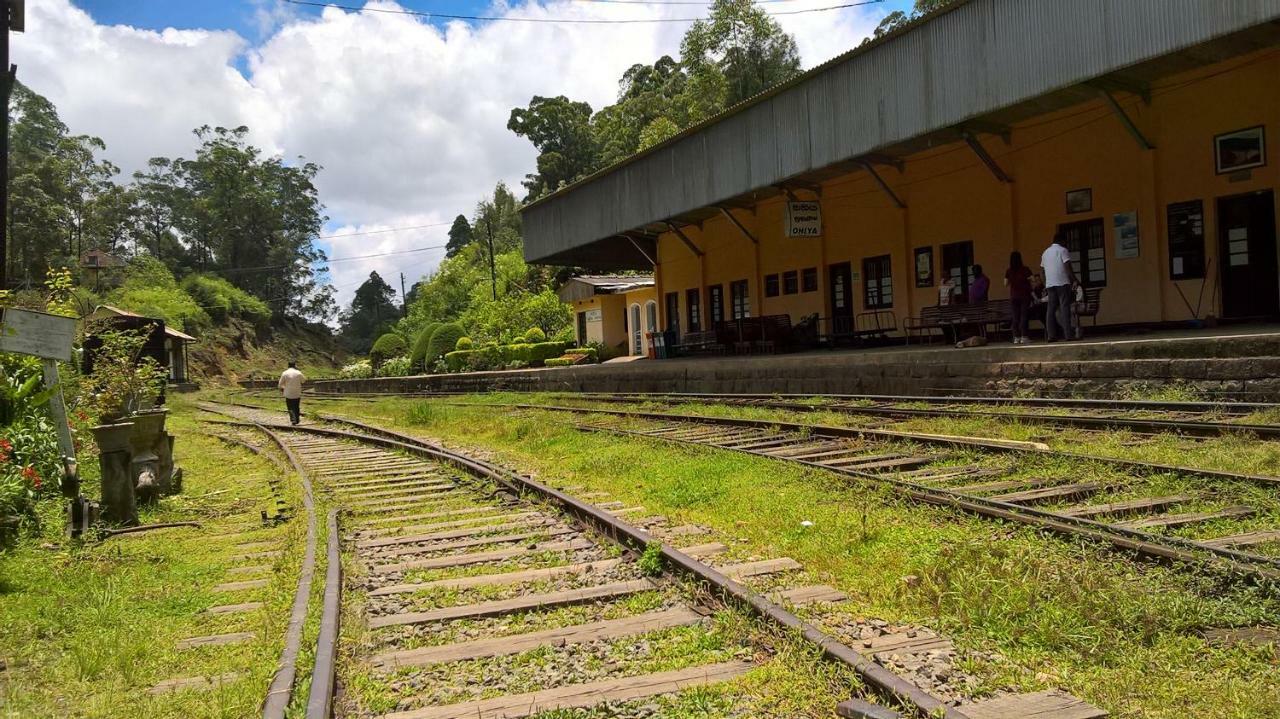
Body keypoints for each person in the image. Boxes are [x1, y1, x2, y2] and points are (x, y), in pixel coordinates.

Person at [1040, 233, 1077, 342]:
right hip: (1062, 282)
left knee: (1050, 310)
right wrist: (1074, 279)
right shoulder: (1063, 250)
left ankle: (1051, 335)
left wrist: (1046, 283)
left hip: (1050, 284)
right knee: (1064, 308)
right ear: (1062, 241)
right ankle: (1068, 335)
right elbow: (1067, 267)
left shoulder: (1045, 252)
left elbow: (1042, 270)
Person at [1003, 252, 1033, 344]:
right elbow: (1033, 279)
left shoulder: (1009, 271)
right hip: (1024, 296)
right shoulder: (1025, 269)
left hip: (1014, 296)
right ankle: (1024, 336)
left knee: (1015, 317)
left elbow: (1005, 284)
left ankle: (1016, 337)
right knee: (1024, 316)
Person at [278, 361, 305, 425]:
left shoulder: (284, 373)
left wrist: (282, 389)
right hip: (297, 393)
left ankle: (293, 419)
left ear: (288, 366)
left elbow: (280, 384)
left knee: (290, 407)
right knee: (296, 406)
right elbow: (303, 380)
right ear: (295, 365)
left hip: (288, 393)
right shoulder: (298, 373)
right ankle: (297, 419)